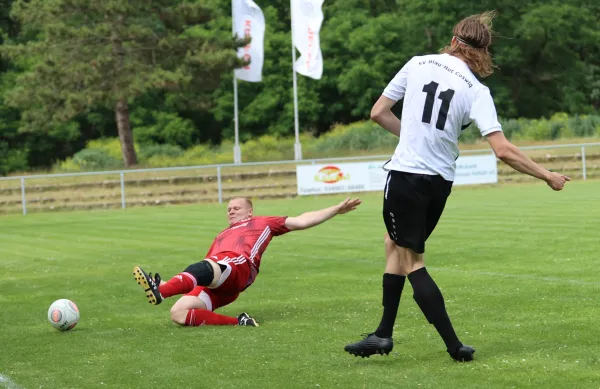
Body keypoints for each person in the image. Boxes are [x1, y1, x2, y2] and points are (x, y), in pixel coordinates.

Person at [344, 10, 570, 362]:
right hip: (439, 183)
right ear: (483, 52)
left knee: (411, 259)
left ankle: (454, 346)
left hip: (406, 176)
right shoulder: (477, 90)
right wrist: (548, 176)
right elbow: (504, 150)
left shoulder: (418, 63)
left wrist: (412, 137)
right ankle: (382, 335)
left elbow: (378, 112)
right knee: (396, 244)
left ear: (453, 39)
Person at [133, 196, 361, 327]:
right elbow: (204, 271)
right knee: (179, 313)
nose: (231, 211)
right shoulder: (221, 235)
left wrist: (336, 209)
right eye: (228, 209)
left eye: (236, 208)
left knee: (204, 267)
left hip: (238, 266)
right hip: (221, 279)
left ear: (249, 211)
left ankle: (162, 289)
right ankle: (239, 322)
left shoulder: (263, 222)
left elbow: (301, 220)